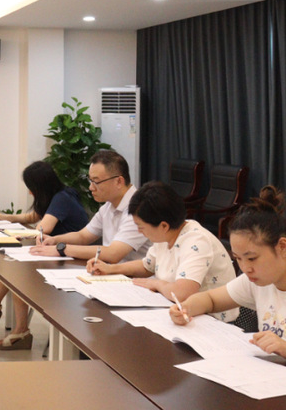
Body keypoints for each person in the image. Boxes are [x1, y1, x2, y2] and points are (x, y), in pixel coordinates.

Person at [0, 160, 89, 349]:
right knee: (16, 269)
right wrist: (6, 217)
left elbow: (42, 228)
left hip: (72, 258)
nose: (30, 193)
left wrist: (20, 233)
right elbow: (33, 217)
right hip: (57, 252)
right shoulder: (57, 195)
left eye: (31, 188)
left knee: (19, 273)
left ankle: (3, 316)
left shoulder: (62, 198)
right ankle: (3, 316)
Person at [89, 181, 238, 321]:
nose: (140, 232)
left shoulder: (196, 241)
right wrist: (111, 269)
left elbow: (182, 293)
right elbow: (147, 266)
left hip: (211, 320)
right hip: (179, 311)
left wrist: (157, 284)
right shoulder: (165, 236)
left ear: (164, 226)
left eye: (141, 227)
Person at [172, 186, 286, 356]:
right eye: (238, 258)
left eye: (252, 258)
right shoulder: (256, 281)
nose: (245, 268)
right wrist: (186, 308)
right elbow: (211, 299)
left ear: (282, 247)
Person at [31, 149, 148, 264]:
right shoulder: (108, 206)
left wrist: (62, 249)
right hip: (110, 272)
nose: (91, 187)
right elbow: (83, 236)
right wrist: (54, 240)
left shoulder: (139, 208)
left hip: (130, 275)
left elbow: (113, 254)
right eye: (90, 181)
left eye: (96, 182)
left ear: (119, 181)